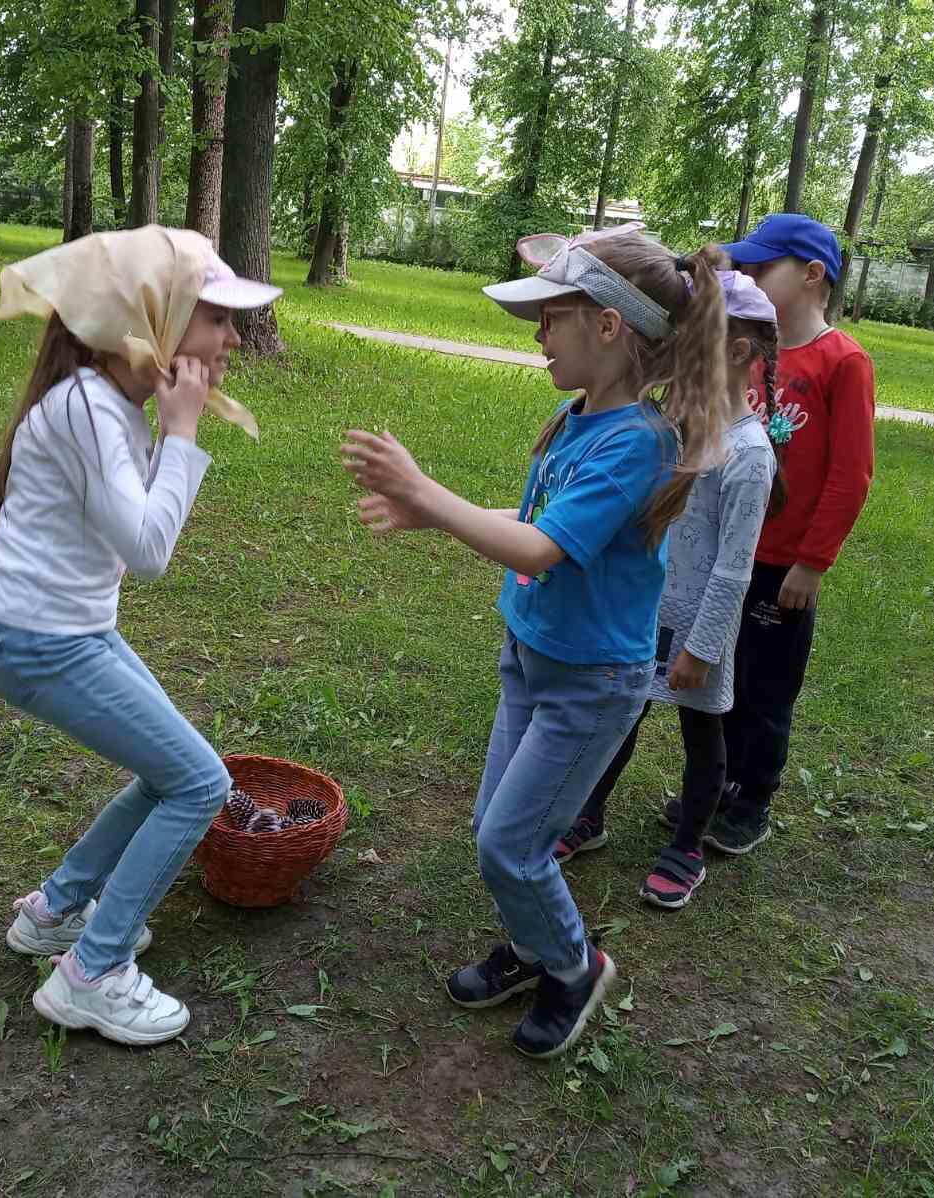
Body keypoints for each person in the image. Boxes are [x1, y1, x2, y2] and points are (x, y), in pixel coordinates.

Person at [341, 224, 732, 1058]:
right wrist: (428, 513)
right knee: (499, 828)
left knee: (508, 845)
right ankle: (531, 946)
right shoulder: (576, 419)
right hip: (531, 660)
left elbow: (540, 551)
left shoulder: (637, 444)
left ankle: (573, 966)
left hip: (591, 685)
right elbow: (531, 525)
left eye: (550, 317)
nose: (537, 335)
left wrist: (426, 489)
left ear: (607, 326)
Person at [0, 225, 279, 1046]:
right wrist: (182, 434)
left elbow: (126, 537)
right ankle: (92, 975)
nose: (234, 339)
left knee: (172, 770)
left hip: (66, 633)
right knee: (200, 784)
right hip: (41, 642)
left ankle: (55, 913)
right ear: (158, 320)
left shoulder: (103, 402)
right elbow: (147, 552)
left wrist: (170, 428)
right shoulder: (89, 410)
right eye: (218, 320)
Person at [553, 267, 788, 909]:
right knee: (623, 716)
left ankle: (687, 845)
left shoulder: (749, 456)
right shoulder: (678, 424)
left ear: (737, 351)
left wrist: (702, 648)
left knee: (702, 735)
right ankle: (589, 814)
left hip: (698, 629)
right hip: (645, 612)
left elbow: (734, 568)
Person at [686, 214, 876, 855]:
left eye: (763, 268)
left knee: (766, 689)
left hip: (784, 567)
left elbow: (850, 476)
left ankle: (751, 799)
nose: (750, 276)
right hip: (727, 554)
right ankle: (711, 786)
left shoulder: (842, 362)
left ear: (813, 275)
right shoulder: (750, 350)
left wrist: (812, 563)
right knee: (716, 676)